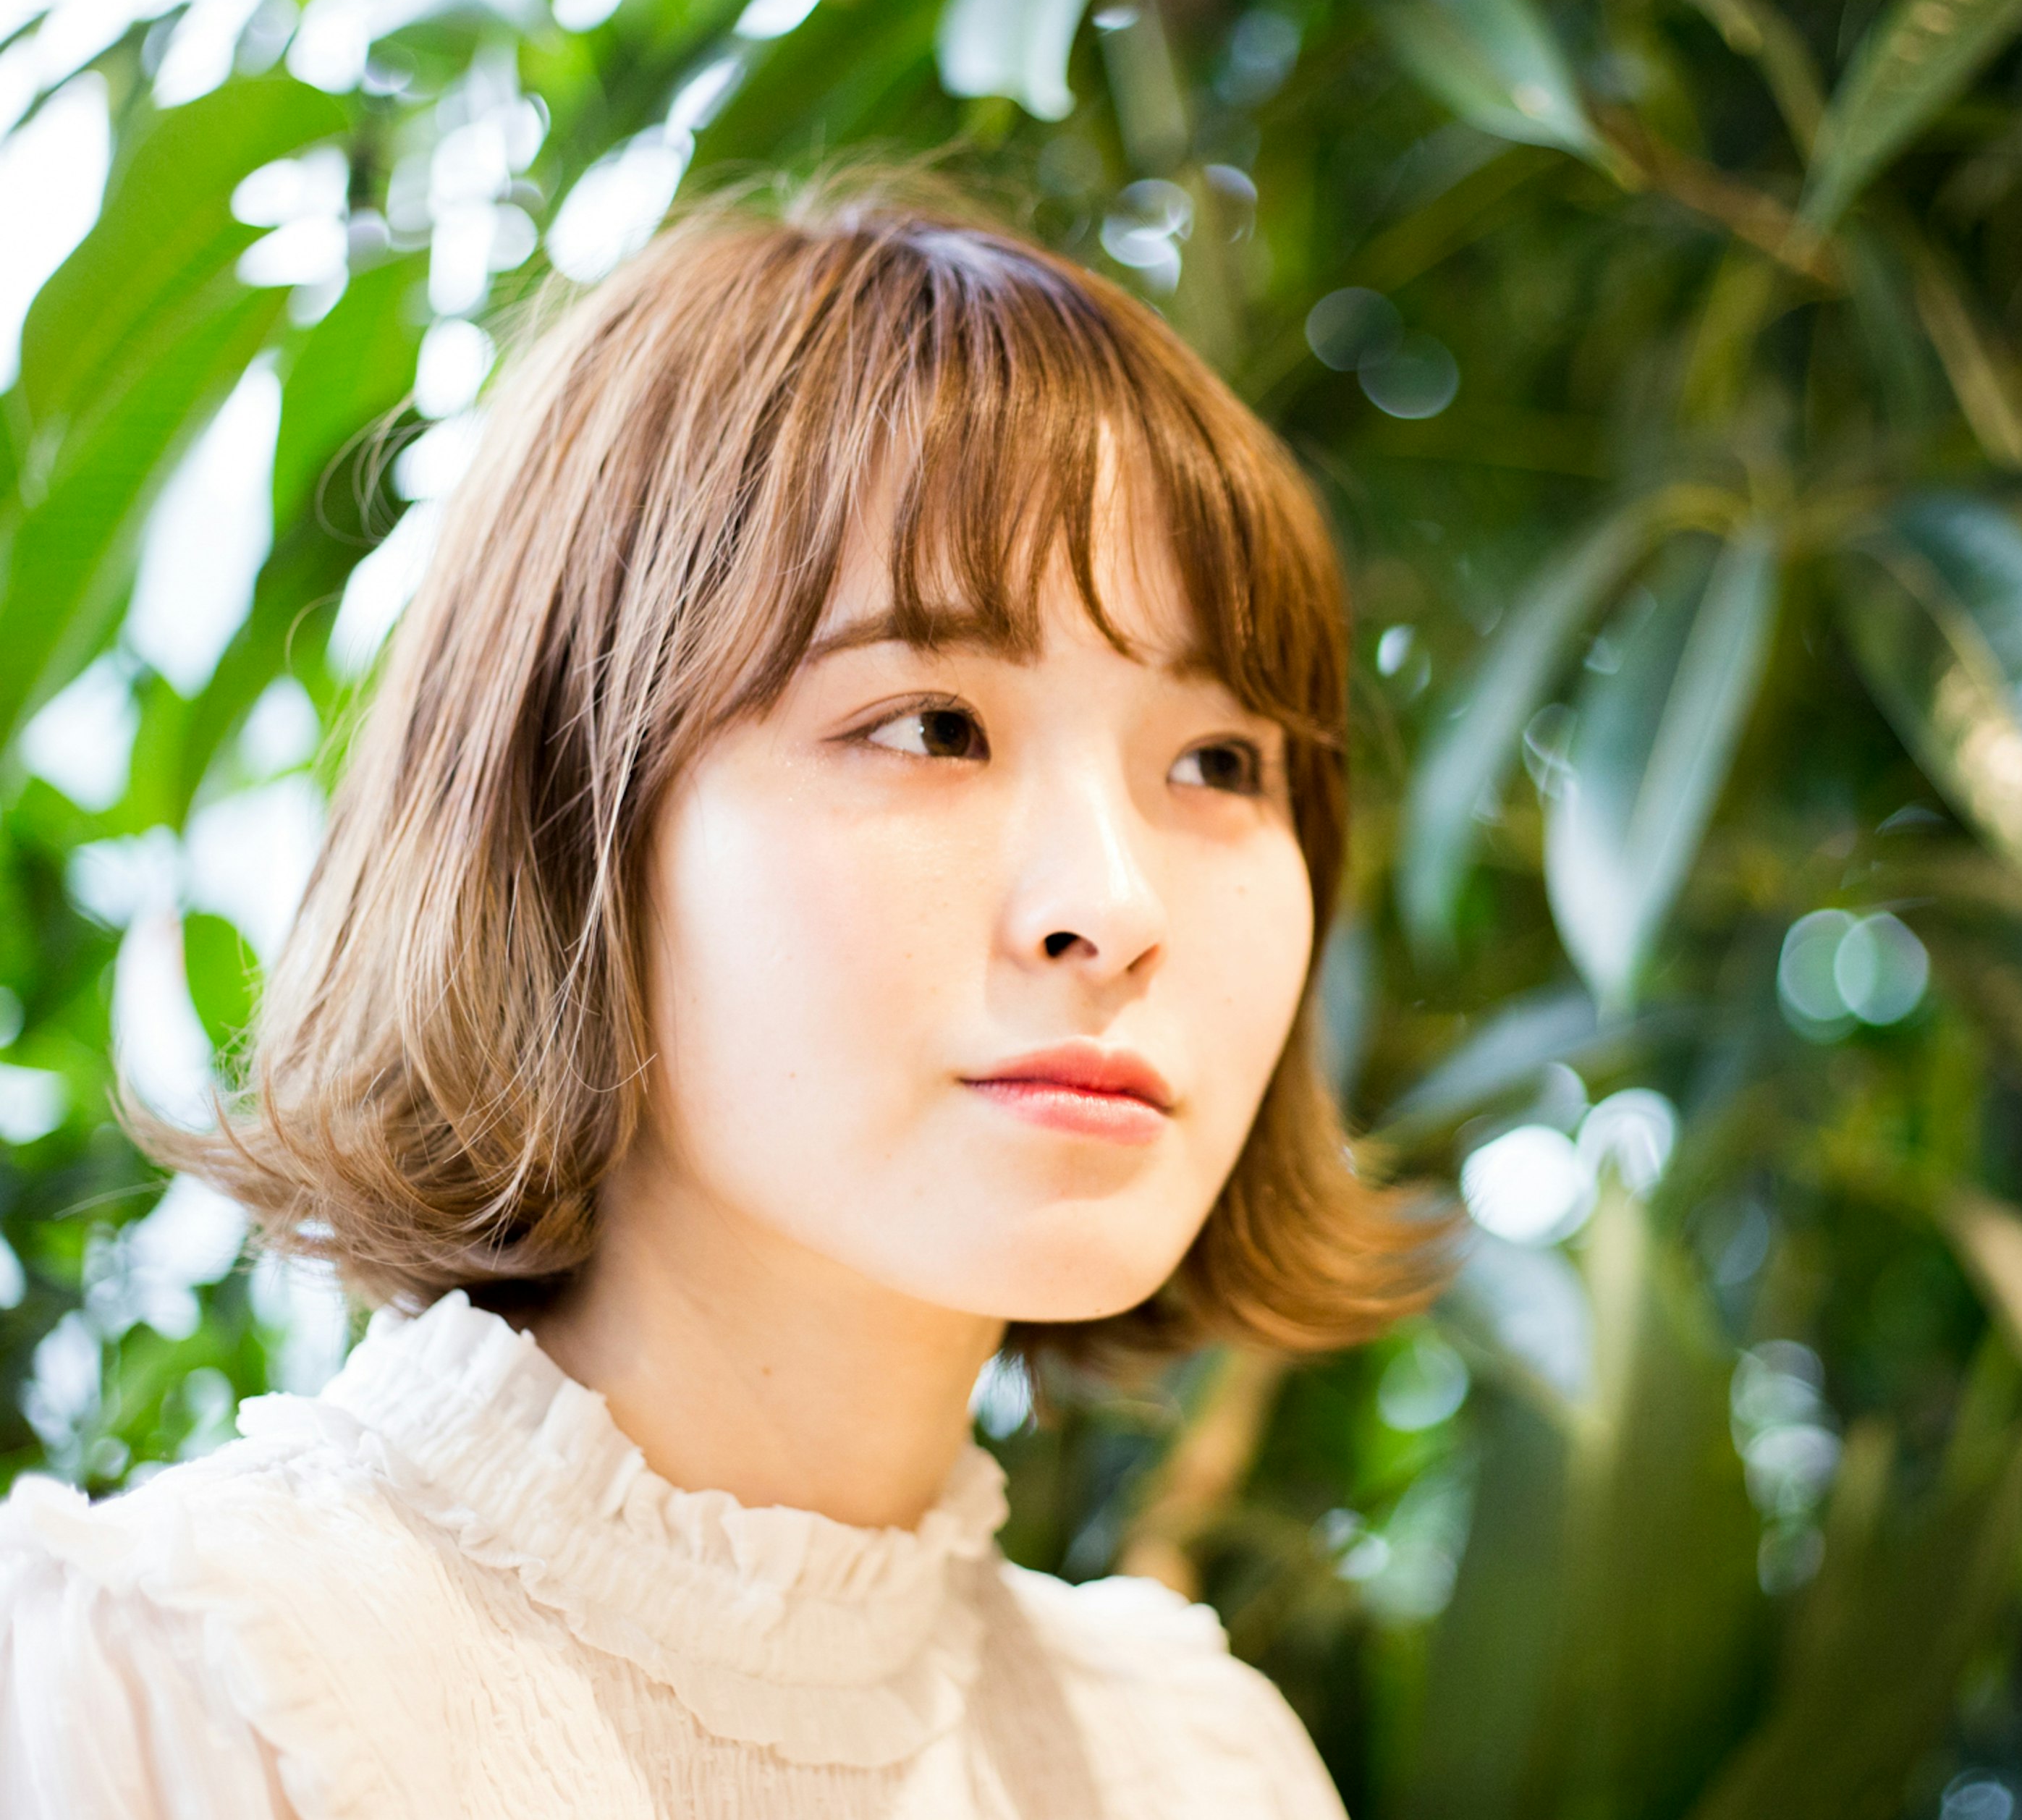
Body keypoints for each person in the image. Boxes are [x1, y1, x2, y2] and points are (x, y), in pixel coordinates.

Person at [0, 175, 1439, 1818]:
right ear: (568, 812)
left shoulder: (1199, 1765)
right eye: (931, 725)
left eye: (1217, 761)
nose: (1109, 907)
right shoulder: (169, 1692)